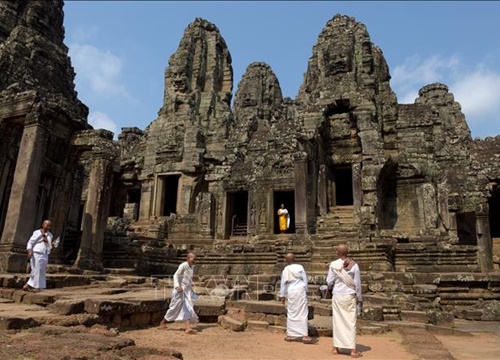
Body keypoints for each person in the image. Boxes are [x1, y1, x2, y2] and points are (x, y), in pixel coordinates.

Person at [326, 244, 363, 358]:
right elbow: (357, 283)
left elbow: (329, 281)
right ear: (347, 252)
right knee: (350, 322)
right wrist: (359, 298)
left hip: (337, 295)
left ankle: (336, 348)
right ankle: (352, 350)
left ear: (338, 252)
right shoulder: (354, 265)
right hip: (349, 295)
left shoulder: (333, 265)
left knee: (337, 321)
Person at [159, 252, 199, 334]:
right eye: (193, 259)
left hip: (186, 291)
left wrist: (191, 291)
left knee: (187, 307)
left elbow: (188, 280)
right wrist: (177, 286)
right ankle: (163, 322)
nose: (194, 260)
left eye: (195, 259)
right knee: (174, 308)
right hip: (179, 291)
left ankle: (187, 328)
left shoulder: (192, 267)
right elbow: (176, 275)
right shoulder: (183, 265)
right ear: (188, 258)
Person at [279, 253, 313, 344]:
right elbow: (305, 280)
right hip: (300, 290)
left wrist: (282, 295)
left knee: (291, 312)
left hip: (291, 291)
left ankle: (290, 334)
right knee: (302, 312)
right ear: (295, 258)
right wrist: (306, 291)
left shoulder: (286, 269)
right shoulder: (300, 267)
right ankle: (304, 335)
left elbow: (283, 283)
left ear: (286, 260)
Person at [23, 220, 53, 292]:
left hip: (45, 253)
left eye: (49, 225)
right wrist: (29, 250)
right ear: (43, 225)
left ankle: (28, 285)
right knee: (36, 269)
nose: (48, 226)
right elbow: (31, 242)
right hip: (37, 252)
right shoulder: (37, 232)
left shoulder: (50, 235)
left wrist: (48, 242)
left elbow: (50, 246)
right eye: (46, 224)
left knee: (41, 270)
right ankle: (37, 287)